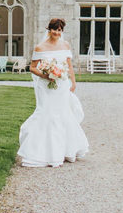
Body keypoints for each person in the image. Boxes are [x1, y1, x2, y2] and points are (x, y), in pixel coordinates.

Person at [17, 18, 90, 168]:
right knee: (47, 113)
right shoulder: (40, 47)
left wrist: (73, 82)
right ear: (49, 30)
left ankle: (66, 150)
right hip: (46, 86)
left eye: (59, 30)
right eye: (54, 29)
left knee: (63, 114)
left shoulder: (65, 45)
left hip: (62, 85)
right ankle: (41, 152)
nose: (57, 32)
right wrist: (46, 75)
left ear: (62, 31)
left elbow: (69, 66)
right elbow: (32, 67)